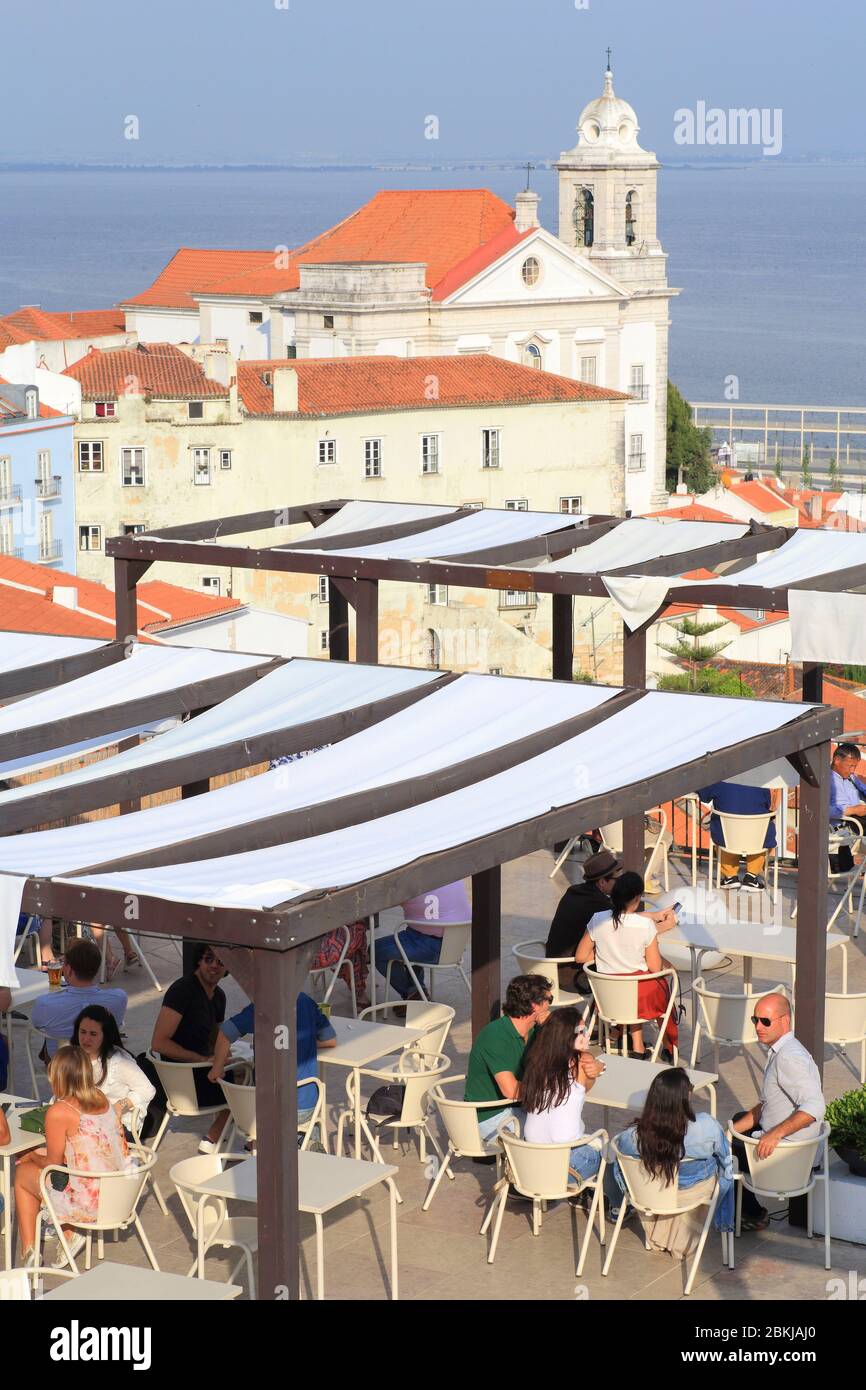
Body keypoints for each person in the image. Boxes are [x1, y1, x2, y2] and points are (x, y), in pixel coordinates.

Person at [14, 1044, 131, 1270]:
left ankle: (30, 1253)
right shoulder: (101, 1097)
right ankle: (67, 1234)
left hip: (89, 1204)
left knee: (22, 1174)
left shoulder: (59, 1111)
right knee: (39, 1164)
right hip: (118, 1192)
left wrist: (30, 1156)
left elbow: (53, 1164)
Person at [610, 1068, 734, 1256]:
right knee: (727, 1162)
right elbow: (726, 1162)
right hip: (692, 1192)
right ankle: (724, 1225)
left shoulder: (632, 1137)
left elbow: (618, 1155)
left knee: (618, 1163)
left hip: (653, 1191)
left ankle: (622, 1205)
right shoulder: (707, 1127)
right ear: (686, 1096)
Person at [730, 992, 826, 1230]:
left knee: (723, 1152)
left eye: (766, 1021)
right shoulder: (783, 1050)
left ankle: (750, 1214)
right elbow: (765, 1106)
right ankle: (746, 1211)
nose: (759, 1027)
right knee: (735, 1123)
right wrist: (729, 1130)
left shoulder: (788, 1059)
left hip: (791, 1157)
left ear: (785, 1021)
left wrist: (775, 1134)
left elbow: (815, 1106)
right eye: (756, 1020)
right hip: (794, 1147)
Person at [575, 870, 678, 1060]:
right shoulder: (645, 926)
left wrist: (607, 957)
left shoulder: (598, 919)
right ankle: (669, 1047)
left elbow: (580, 956)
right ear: (638, 897)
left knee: (629, 985)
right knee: (661, 984)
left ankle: (629, 1041)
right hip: (635, 993)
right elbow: (655, 967)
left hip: (607, 994)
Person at [208, 991, 337, 1131]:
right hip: (302, 1106)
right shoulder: (307, 1002)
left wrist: (217, 1068)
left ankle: (252, 1146)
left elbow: (226, 1032)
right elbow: (331, 1041)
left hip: (263, 1110)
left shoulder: (261, 1006)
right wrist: (300, 1041)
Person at [147, 944, 231, 1151]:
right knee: (250, 1083)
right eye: (208, 959)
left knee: (246, 1067)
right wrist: (201, 1059)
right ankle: (215, 1138)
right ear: (198, 961)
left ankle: (234, 1136)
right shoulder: (183, 990)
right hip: (182, 1082)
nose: (214, 966)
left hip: (201, 1071)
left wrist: (222, 1055)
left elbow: (215, 1039)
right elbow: (158, 1042)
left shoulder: (219, 996)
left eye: (220, 961)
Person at [464, 974, 553, 1149]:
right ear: (535, 1005)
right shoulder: (496, 1036)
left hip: (517, 1108)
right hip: (490, 1116)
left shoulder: (534, 1031)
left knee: (560, 1122)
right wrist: (551, 1091)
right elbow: (511, 1090)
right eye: (549, 999)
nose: (550, 1004)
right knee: (551, 1131)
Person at [522, 1006, 606, 1182]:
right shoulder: (583, 1061)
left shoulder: (536, 1063)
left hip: (528, 1165)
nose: (587, 1034)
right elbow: (589, 1082)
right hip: (564, 1167)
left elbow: (584, 1082)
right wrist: (599, 1067)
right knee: (609, 1152)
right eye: (581, 1031)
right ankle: (605, 1201)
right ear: (568, 1037)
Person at [30, 938, 127, 1060]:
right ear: (96, 969)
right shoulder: (119, 998)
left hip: (63, 1065)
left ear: (69, 969)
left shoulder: (45, 1003)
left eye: (63, 963)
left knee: (51, 1027)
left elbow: (36, 1024)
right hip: (102, 1060)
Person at [375, 881, 471, 1002]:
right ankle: (417, 990)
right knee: (412, 935)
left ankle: (412, 995)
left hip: (431, 947)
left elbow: (381, 899)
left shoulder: (412, 884)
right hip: (455, 945)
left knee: (375, 951)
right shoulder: (454, 876)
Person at [546, 849, 624, 992]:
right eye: (617, 880)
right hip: (573, 977)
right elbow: (624, 929)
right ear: (602, 882)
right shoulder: (598, 905)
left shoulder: (574, 891)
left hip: (554, 970)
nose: (620, 883)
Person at [71, 1006, 156, 1135]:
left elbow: (148, 1089)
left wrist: (120, 1106)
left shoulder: (119, 1061)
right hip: (86, 1120)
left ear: (105, 1036)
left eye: (93, 1034)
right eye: (82, 1032)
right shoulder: (73, 1055)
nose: (86, 1039)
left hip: (117, 1127)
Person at [699, 779, 777, 890]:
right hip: (756, 838)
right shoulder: (760, 780)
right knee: (763, 833)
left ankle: (730, 876)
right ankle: (752, 876)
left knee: (721, 828)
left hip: (726, 838)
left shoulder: (719, 778)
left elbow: (704, 795)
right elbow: (767, 804)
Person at [311, 923, 371, 1010]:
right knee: (358, 929)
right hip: (323, 955)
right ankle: (360, 993)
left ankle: (360, 994)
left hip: (295, 956)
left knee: (350, 946)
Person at [829, 743, 866, 871]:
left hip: (859, 821)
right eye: (850, 766)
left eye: (854, 766)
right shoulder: (827, 779)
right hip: (847, 826)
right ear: (837, 760)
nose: (852, 770)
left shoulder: (850, 777)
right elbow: (822, 810)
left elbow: (864, 789)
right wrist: (854, 810)